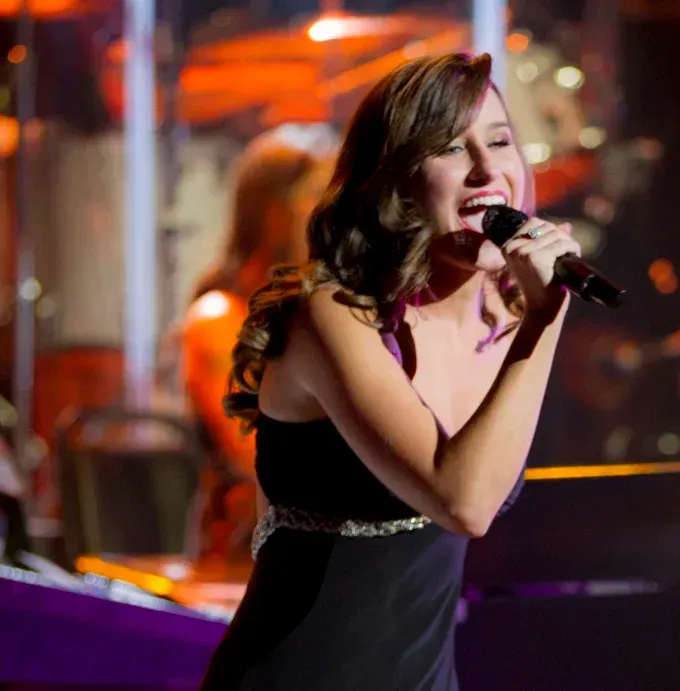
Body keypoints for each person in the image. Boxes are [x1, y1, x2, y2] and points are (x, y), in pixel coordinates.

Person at [199, 52, 578, 690]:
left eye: (499, 142)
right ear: (395, 181)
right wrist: (546, 319)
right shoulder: (333, 317)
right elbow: (464, 501)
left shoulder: (511, 324)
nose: (488, 170)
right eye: (451, 148)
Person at [177, 131, 332, 561]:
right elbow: (260, 458)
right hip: (243, 560)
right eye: (316, 194)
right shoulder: (217, 317)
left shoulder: (320, 313)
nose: (332, 213)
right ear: (272, 212)